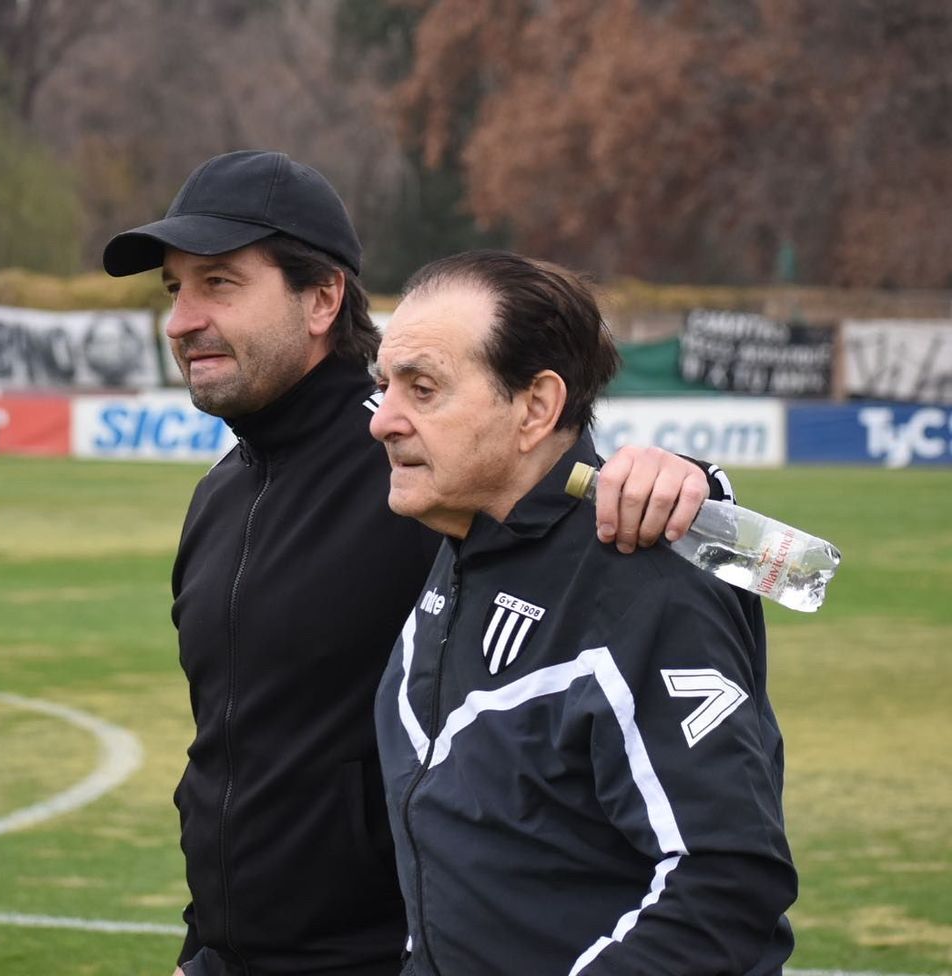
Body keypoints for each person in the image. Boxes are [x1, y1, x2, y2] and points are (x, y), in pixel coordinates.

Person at [102, 151, 731, 976]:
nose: (182, 320)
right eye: (174, 290)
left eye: (219, 284)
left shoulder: (415, 466)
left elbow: (564, 494)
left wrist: (689, 482)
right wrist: (207, 948)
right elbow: (227, 760)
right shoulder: (222, 495)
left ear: (323, 298)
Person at [369, 250, 796, 975]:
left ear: (536, 407)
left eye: (423, 388)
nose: (383, 421)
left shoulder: (645, 578)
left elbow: (727, 884)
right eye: (385, 387)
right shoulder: (464, 539)